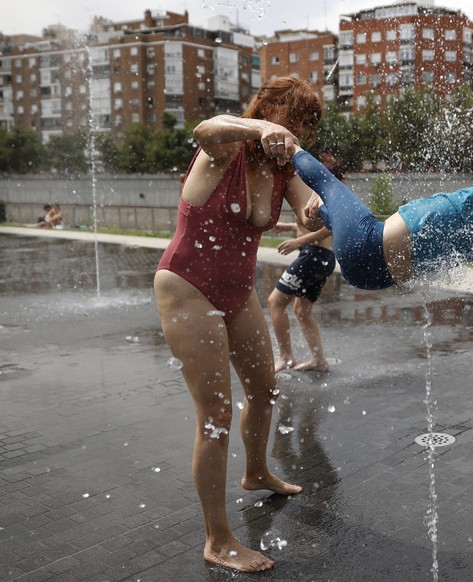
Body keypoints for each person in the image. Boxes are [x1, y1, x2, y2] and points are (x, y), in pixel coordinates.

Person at [153, 76, 323, 573]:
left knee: (265, 389)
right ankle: (218, 539)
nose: (302, 133)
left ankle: (255, 472)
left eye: (310, 125)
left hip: (235, 291)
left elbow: (313, 209)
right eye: (296, 119)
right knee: (216, 414)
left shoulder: (283, 169)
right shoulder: (226, 149)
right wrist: (259, 127)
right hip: (187, 286)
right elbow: (206, 127)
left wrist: (323, 211)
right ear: (268, 110)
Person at [290, 100, 473, 290]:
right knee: (330, 211)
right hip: (378, 279)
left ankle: (289, 147)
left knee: (329, 183)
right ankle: (322, 211)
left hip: (365, 244)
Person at [267, 218, 335, 373]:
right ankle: (319, 360)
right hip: (321, 257)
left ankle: (286, 358)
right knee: (302, 311)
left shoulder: (313, 194)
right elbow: (312, 224)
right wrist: (290, 226)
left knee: (275, 302)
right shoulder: (309, 194)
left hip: (314, 255)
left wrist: (298, 241)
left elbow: (331, 226)